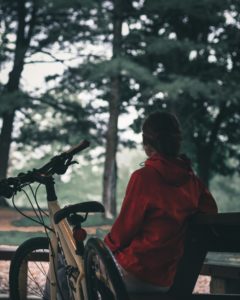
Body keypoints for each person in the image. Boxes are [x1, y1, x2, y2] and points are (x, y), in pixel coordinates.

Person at [104, 111, 217, 293]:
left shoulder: (144, 178)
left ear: (147, 145)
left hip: (133, 272)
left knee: (67, 267)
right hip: (164, 281)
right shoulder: (191, 181)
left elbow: (123, 231)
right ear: (176, 144)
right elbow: (210, 209)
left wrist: (102, 248)